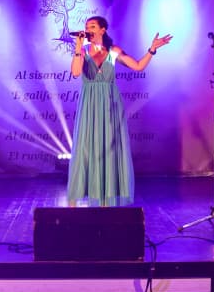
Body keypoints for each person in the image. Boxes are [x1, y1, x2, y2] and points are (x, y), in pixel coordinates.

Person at [67, 15, 172, 207]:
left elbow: (138, 66)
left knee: (108, 148)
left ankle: (105, 200)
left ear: (103, 30)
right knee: (85, 147)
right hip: (89, 103)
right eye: (86, 26)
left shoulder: (113, 51)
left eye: (92, 26)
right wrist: (78, 46)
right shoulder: (82, 51)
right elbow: (75, 72)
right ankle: (75, 202)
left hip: (110, 104)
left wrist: (152, 49)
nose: (88, 29)